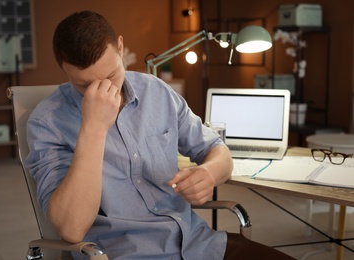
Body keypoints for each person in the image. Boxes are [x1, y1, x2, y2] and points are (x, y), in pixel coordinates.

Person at [25, 10, 295, 260]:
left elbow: (217, 148)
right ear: (64, 69)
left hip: (198, 245)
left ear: (120, 47)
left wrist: (211, 172)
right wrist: (93, 127)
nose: (105, 90)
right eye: (85, 85)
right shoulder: (47, 122)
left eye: (111, 75)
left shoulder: (157, 92)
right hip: (124, 253)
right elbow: (71, 229)